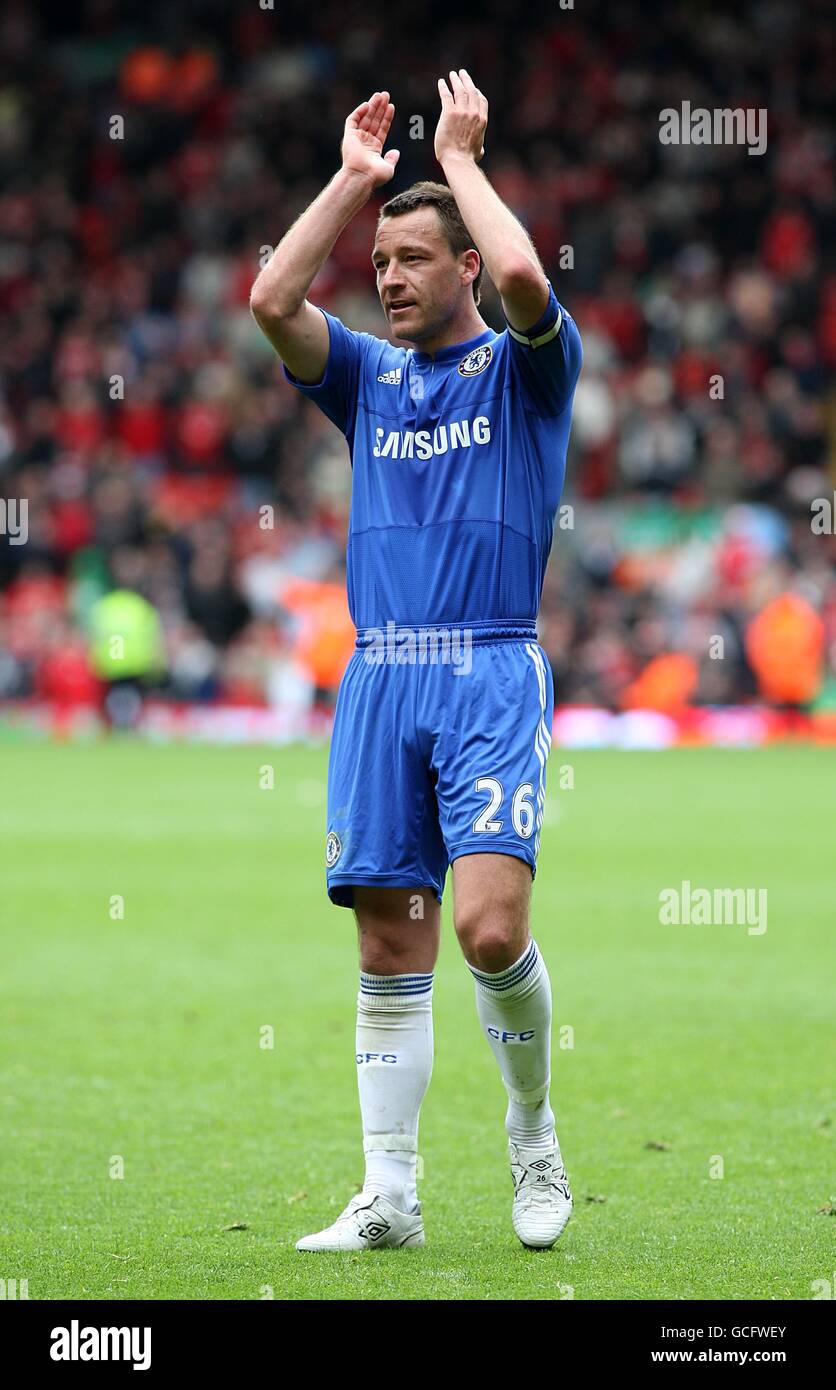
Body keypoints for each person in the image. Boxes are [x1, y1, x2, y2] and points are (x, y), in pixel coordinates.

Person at [251, 72, 582, 1251]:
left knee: (488, 931)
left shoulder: (525, 373)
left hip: (488, 667)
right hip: (382, 673)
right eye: (379, 260)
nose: (385, 276)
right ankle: (388, 1194)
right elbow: (271, 296)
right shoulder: (366, 378)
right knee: (391, 942)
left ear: (459, 270)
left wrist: (466, 162)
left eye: (409, 258)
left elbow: (531, 282)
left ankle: (532, 1135)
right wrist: (353, 182)